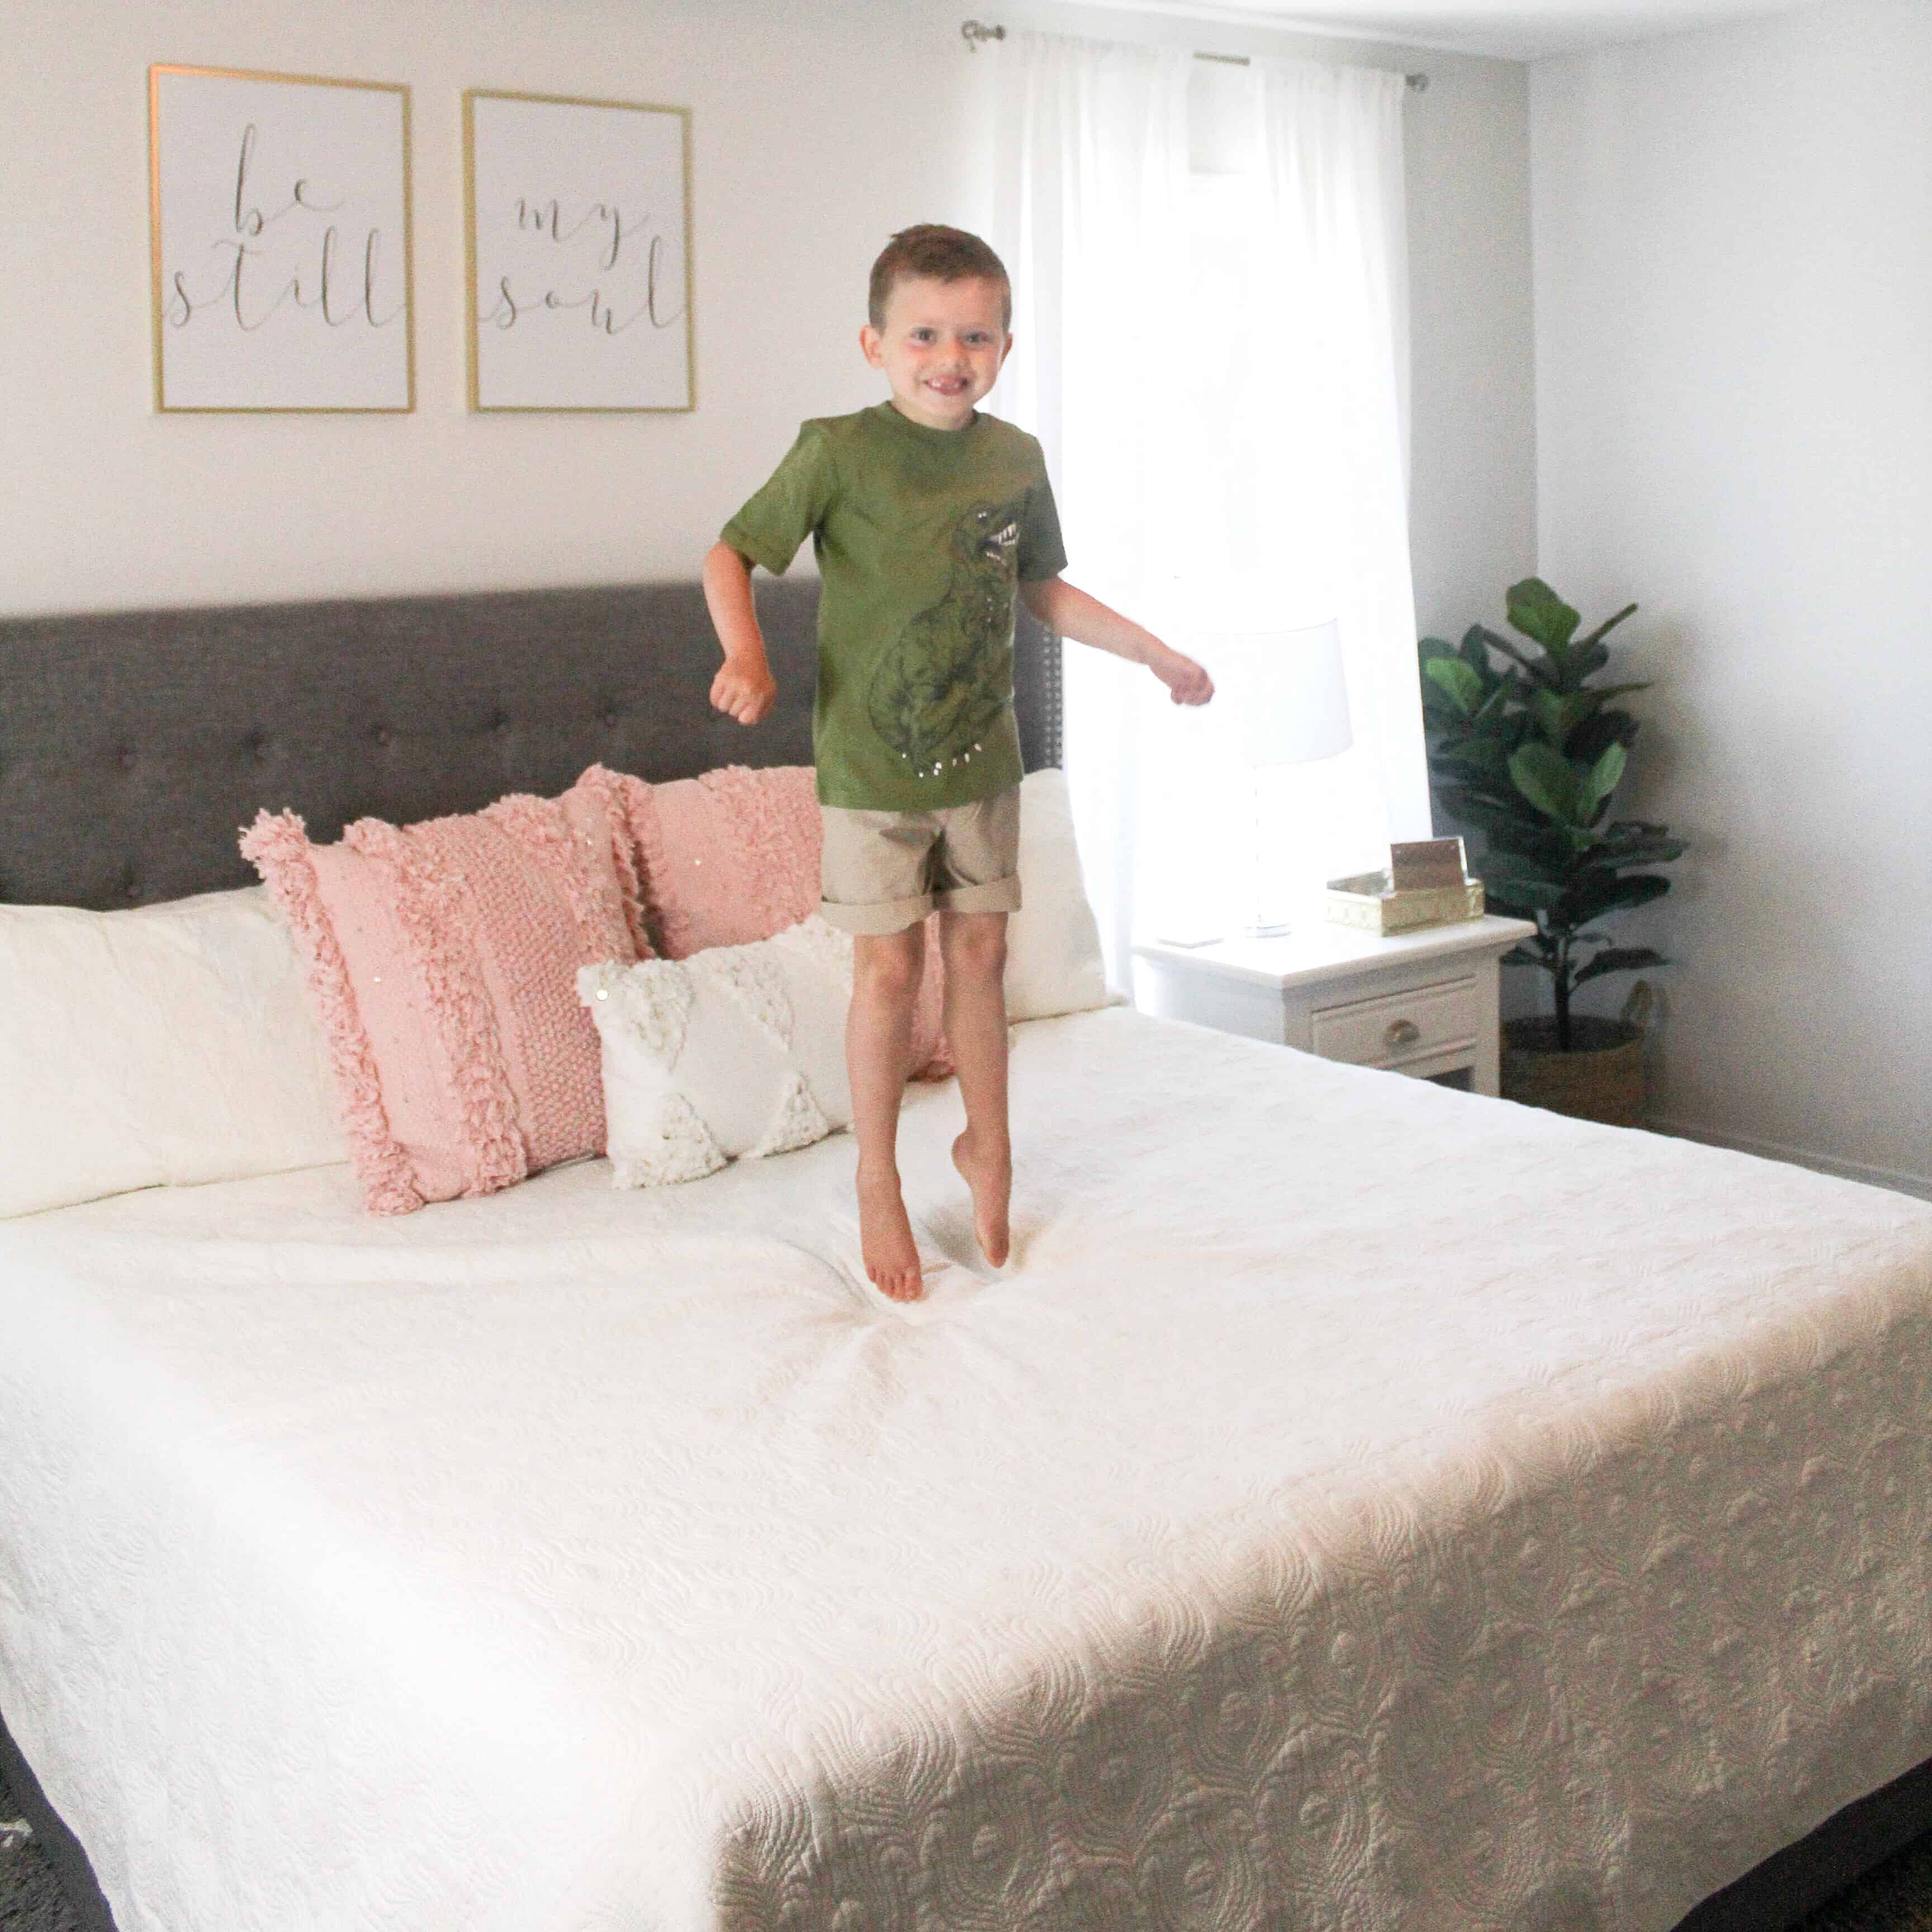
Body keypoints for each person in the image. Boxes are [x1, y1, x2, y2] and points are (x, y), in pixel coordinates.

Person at [703, 224, 1213, 1301]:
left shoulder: (1013, 457)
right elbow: (731, 552)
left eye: (974, 336)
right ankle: (877, 1177)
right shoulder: (837, 450)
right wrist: (746, 651)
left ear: (1005, 346)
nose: (951, 356)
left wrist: (1155, 653)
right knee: (890, 970)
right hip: (870, 773)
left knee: (981, 962)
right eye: (925, 334)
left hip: (983, 763)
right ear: (874, 344)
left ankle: (992, 1145)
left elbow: (1045, 590)